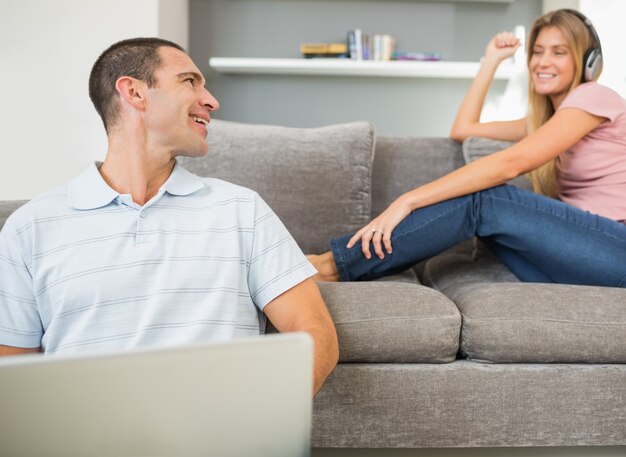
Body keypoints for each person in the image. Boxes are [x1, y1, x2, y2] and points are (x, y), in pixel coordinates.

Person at [0, 37, 338, 395]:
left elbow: (314, 332)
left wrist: (263, 416)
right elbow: (12, 367)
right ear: (134, 92)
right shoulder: (31, 226)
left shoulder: (242, 209)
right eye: (190, 81)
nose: (211, 101)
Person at [309, 9, 626, 287]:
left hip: (616, 248)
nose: (543, 62)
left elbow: (511, 163)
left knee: (484, 200)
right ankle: (337, 264)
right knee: (482, 209)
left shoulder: (593, 96)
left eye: (559, 52)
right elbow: (463, 130)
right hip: (586, 257)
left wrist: (408, 200)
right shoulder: (545, 121)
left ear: (588, 62)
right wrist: (490, 61)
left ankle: (331, 266)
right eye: (538, 51)